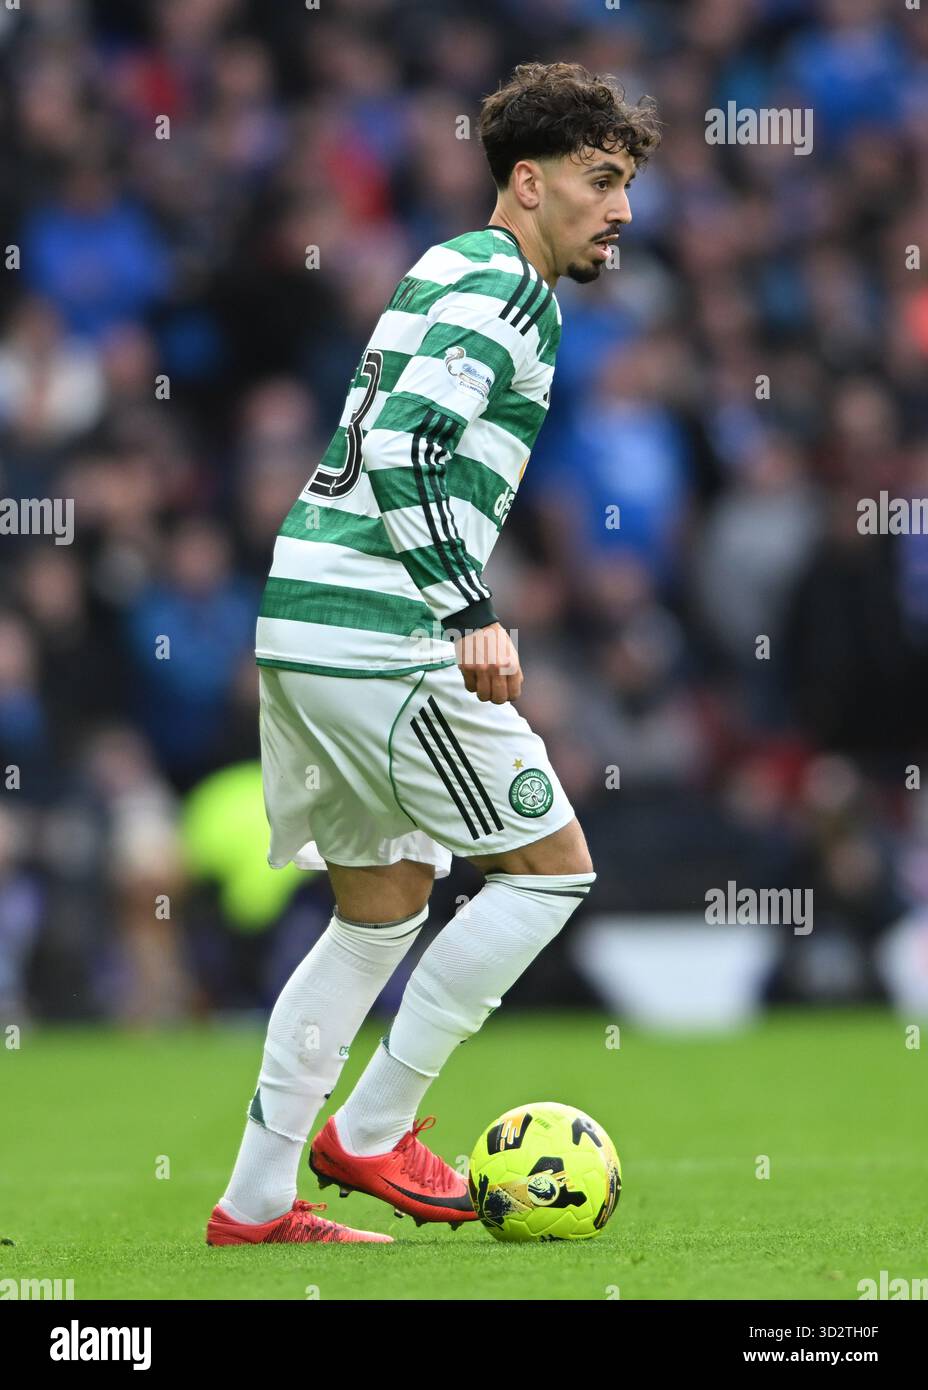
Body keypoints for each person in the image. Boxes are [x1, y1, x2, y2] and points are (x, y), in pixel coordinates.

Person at [206, 61, 660, 1246]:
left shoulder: (450, 261)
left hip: (303, 616)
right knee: (550, 870)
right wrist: (468, 610)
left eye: (627, 184)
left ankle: (254, 1203)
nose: (621, 209)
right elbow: (408, 449)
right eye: (600, 180)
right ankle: (370, 1129)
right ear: (527, 182)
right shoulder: (505, 284)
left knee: (381, 907)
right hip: (377, 631)